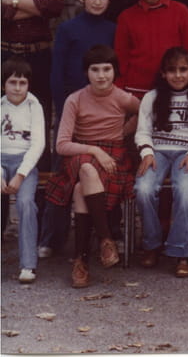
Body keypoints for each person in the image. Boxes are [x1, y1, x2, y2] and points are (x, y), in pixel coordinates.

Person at [44, 45, 140, 288]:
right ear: (86, 72)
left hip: (114, 155)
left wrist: (124, 131)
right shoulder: (75, 99)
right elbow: (62, 145)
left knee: (80, 190)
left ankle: (81, 260)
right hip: (82, 154)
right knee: (87, 169)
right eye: (94, 69)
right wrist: (94, 150)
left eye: (106, 69)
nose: (101, 75)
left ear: (115, 71)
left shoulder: (123, 98)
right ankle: (106, 238)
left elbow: (145, 113)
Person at [40, 0, 116, 258]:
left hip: (103, 114)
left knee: (105, 170)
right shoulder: (68, 29)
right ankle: (52, 237)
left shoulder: (113, 29)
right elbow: (57, 73)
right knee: (62, 173)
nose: (97, 1)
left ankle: (107, 235)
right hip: (72, 110)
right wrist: (64, 112)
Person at [133, 47, 188, 277]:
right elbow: (142, 131)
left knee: (185, 190)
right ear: (163, 73)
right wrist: (147, 153)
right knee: (143, 189)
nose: (178, 75)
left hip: (186, 153)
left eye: (183, 70)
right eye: (172, 70)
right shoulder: (152, 97)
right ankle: (152, 244)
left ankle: (182, 251)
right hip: (157, 151)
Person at [1, 0, 64, 159]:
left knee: (39, 122)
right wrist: (38, 6)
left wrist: (11, 1)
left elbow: (56, 4)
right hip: (4, 53)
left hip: (39, 54)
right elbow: (45, 5)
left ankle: (40, 179)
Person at [114, 0, 188, 99]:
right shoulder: (126, 16)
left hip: (172, 88)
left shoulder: (181, 12)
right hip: (135, 90)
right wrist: (120, 90)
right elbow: (121, 57)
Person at [1, 57, 44, 283]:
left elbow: (38, 144)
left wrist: (20, 175)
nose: (18, 88)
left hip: (24, 163)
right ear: (3, 85)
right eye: (12, 82)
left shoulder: (34, 106)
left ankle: (28, 264)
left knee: (26, 203)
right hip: (0, 161)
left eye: (22, 83)